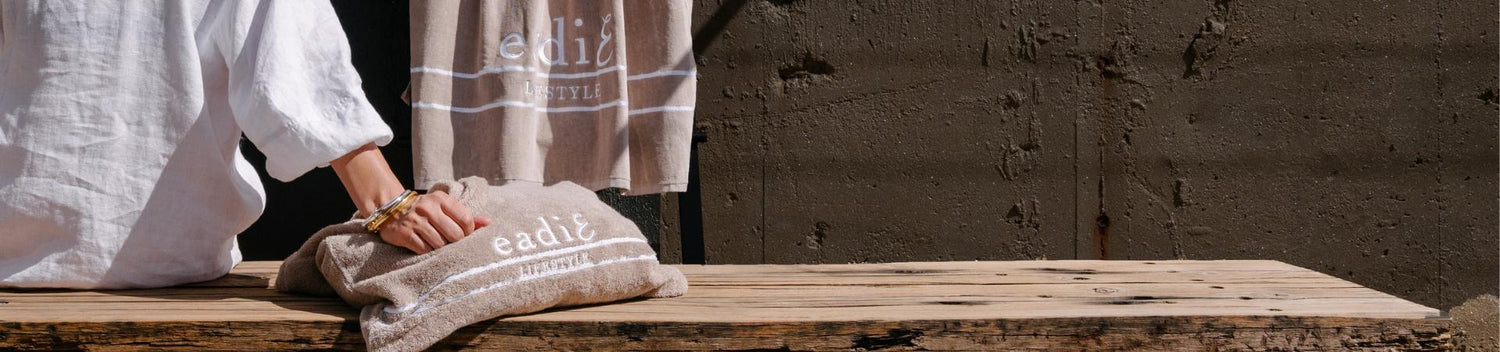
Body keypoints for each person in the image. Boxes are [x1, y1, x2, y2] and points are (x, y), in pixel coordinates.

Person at [0, 1, 485, 289]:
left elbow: (296, 62)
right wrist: (388, 204)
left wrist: (388, 202)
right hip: (66, 270)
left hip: (172, 275)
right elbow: (294, 62)